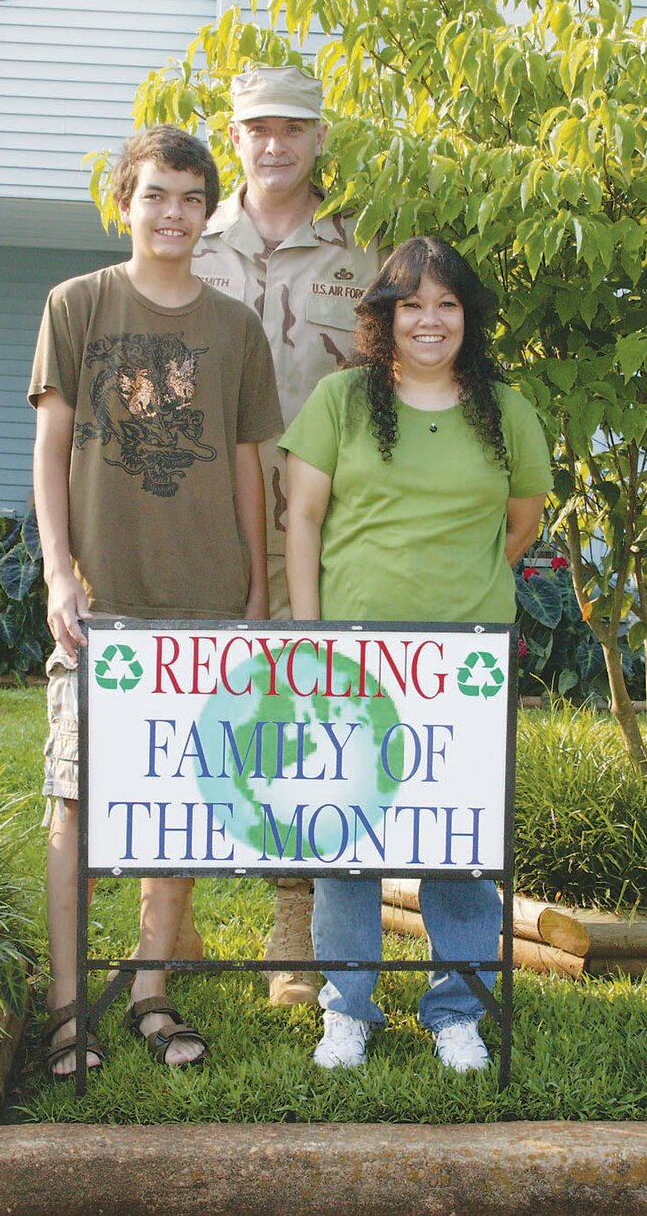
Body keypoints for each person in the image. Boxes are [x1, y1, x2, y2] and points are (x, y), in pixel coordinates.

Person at [28, 125, 282, 1076]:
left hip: (208, 602)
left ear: (207, 209)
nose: (172, 214)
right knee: (78, 802)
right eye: (155, 195)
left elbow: (251, 465)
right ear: (125, 202)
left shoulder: (235, 328)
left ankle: (150, 991)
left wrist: (257, 589)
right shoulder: (78, 305)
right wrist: (61, 572)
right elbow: (50, 453)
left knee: (178, 804)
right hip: (103, 603)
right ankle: (65, 1011)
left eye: (189, 198)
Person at [278, 236, 550, 1073]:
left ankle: (456, 1010)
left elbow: (522, 523)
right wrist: (315, 640)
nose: (429, 321)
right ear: (384, 316)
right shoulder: (340, 401)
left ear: (469, 317)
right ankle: (348, 1009)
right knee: (346, 838)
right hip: (353, 659)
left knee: (457, 843)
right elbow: (304, 523)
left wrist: (459, 595)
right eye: (412, 304)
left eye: (447, 304)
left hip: (466, 667)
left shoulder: (505, 410)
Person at [192, 64, 380, 1006]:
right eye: (258, 127)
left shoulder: (363, 258)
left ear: (318, 140)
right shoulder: (191, 238)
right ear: (235, 136)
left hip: (316, 523)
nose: (275, 144)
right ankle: (169, 912)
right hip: (194, 515)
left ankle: (296, 919)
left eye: (293, 129)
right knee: (184, 697)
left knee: (302, 711)